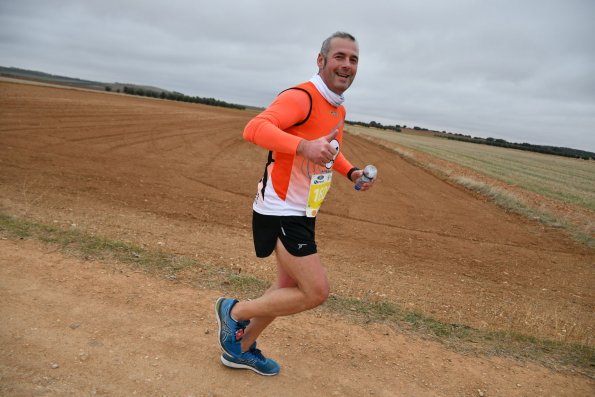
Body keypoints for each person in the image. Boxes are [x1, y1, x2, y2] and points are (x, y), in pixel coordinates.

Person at [215, 31, 375, 376]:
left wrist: (351, 173)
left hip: (304, 208)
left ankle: (239, 349)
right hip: (282, 207)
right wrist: (303, 147)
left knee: (286, 287)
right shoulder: (302, 97)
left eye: (354, 59)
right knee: (316, 291)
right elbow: (254, 128)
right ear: (321, 61)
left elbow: (329, 151)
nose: (347, 65)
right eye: (340, 57)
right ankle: (234, 312)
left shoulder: (336, 106)